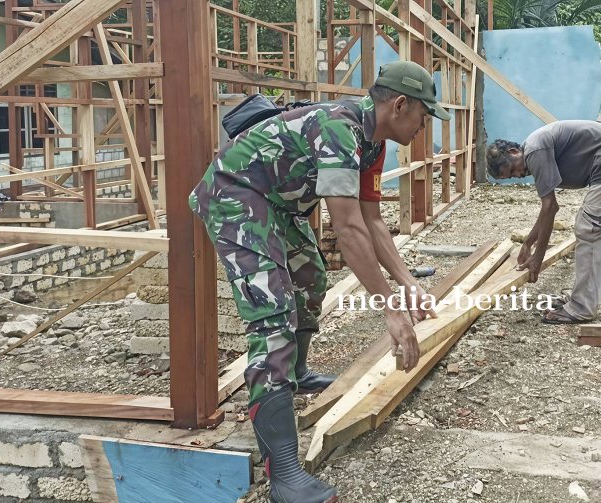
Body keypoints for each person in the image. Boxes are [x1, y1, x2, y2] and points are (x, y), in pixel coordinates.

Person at [189, 61, 449, 503]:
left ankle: (297, 372)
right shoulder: (340, 130)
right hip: (235, 194)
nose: (424, 127)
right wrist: (390, 309)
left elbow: (372, 222)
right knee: (272, 317)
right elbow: (347, 230)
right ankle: (285, 475)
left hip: (275, 203)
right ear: (400, 105)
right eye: (424, 116)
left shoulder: (373, 144)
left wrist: (406, 284)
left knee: (311, 279)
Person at [486, 120, 601, 324]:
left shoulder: (534, 151)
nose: (518, 175)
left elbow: (550, 207)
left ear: (514, 151)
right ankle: (579, 300)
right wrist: (527, 243)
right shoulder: (534, 150)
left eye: (513, 169)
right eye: (511, 177)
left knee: (591, 229)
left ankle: (581, 308)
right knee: (591, 228)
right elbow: (547, 211)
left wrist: (538, 257)